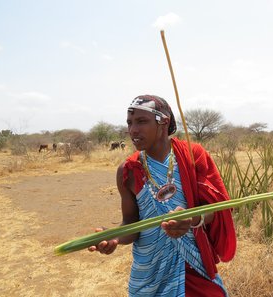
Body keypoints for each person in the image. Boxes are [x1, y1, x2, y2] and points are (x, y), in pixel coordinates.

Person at [88, 95, 236, 296]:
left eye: (141, 121)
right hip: (150, 272)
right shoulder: (129, 170)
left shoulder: (193, 156)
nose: (133, 130)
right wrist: (113, 236)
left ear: (163, 122)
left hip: (192, 265)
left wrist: (191, 219)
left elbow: (217, 209)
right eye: (130, 123)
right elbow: (131, 225)